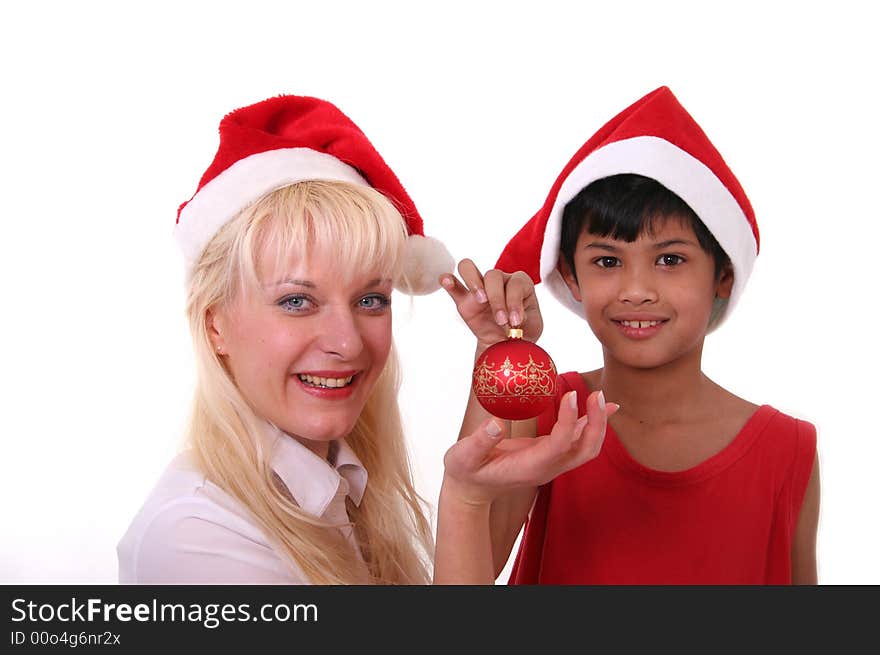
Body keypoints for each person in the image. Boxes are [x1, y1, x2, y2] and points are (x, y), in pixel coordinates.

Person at [117, 94, 614, 585]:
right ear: (214, 325)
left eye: (370, 299)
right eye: (297, 301)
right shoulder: (195, 541)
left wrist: (496, 351)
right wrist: (463, 497)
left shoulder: (337, 481)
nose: (348, 343)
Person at [441, 86, 819, 584]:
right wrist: (498, 349)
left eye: (670, 259)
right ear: (571, 276)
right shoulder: (551, 415)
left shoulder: (788, 451)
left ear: (723, 275)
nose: (636, 290)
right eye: (607, 261)